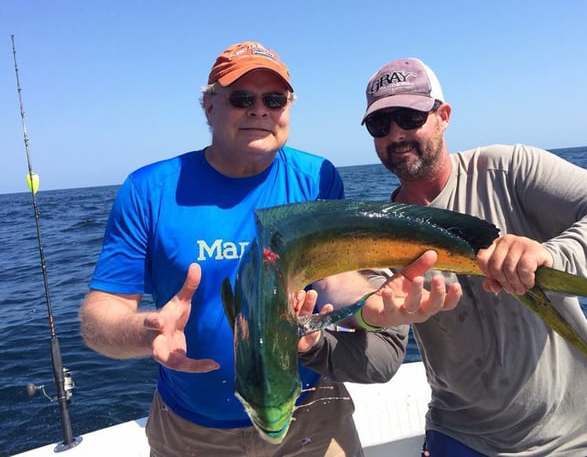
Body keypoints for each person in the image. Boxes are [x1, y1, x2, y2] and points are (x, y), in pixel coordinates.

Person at [78, 42, 449, 457]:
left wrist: (368, 305)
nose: (260, 110)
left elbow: (331, 276)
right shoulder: (149, 190)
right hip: (192, 433)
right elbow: (99, 318)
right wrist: (144, 331)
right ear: (209, 107)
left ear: (288, 108)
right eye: (242, 98)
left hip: (310, 416)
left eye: (274, 99)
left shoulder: (316, 177)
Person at [356, 57, 587, 456]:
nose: (396, 133)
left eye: (409, 116)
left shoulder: (508, 168)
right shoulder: (379, 230)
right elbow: (378, 351)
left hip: (575, 442)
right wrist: (345, 326)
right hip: (458, 437)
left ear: (443, 115)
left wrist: (552, 257)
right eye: (381, 124)